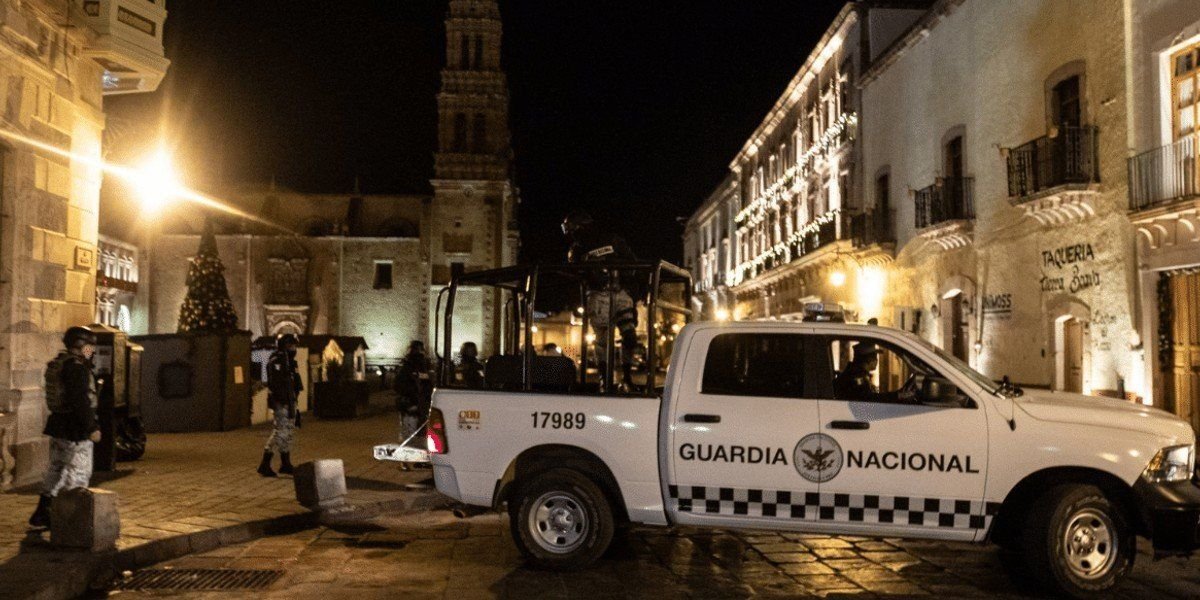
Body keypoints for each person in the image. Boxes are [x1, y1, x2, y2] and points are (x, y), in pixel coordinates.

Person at [29, 326, 100, 528]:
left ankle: (43, 512)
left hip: (59, 425)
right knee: (77, 474)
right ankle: (68, 520)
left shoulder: (60, 363)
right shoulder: (77, 368)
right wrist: (91, 427)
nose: (92, 350)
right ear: (81, 345)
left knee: (57, 469)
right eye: (89, 346)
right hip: (75, 429)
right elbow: (80, 401)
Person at [562, 211, 641, 390]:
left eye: (572, 229)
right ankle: (605, 380)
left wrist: (632, 291)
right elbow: (573, 274)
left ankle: (627, 378)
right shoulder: (576, 249)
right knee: (603, 340)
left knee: (629, 336)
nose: (571, 233)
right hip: (598, 294)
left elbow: (632, 263)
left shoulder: (612, 240)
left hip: (619, 291)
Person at [258, 334, 303, 477]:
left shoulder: (290, 362)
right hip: (281, 402)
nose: (294, 348)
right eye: (291, 345)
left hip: (290, 401)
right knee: (280, 432)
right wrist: (282, 400)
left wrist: (294, 403)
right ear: (285, 346)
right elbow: (276, 383)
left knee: (288, 432)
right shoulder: (277, 360)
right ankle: (265, 464)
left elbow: (295, 384)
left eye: (294, 346)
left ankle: (285, 464)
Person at [832, 343, 917, 403]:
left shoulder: (857, 372)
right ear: (869, 360)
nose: (877, 361)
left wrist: (898, 394)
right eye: (875, 358)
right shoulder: (856, 376)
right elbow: (870, 399)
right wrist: (898, 396)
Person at [396, 340, 432, 437]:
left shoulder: (407, 365)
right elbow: (427, 384)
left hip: (411, 403)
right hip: (414, 402)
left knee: (409, 431)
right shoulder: (419, 366)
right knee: (414, 431)